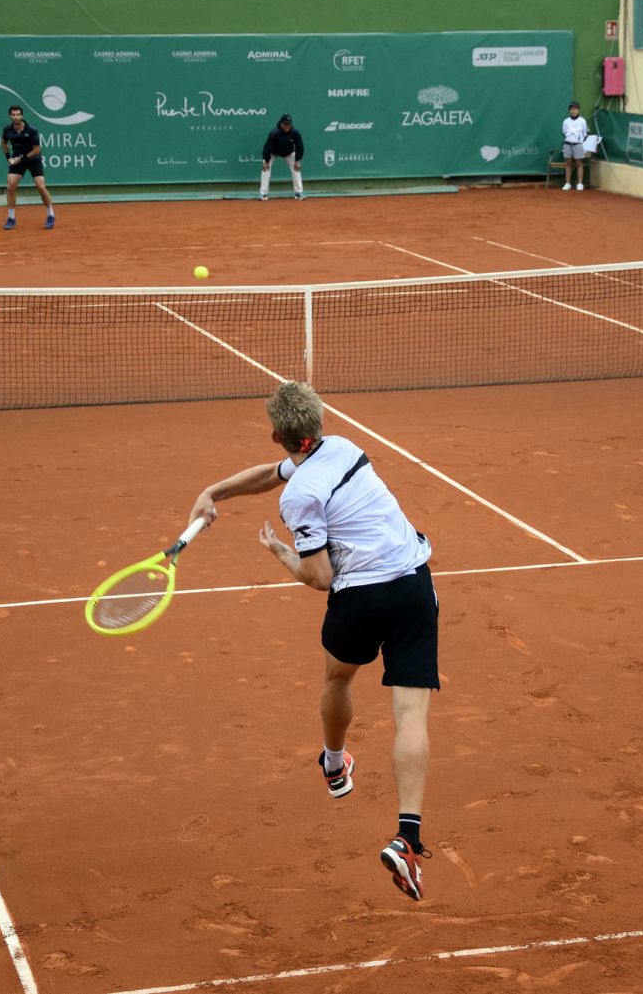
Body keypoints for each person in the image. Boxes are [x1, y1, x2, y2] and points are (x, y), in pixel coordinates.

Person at [189, 382, 438, 901]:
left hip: (360, 599)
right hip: (412, 586)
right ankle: (408, 837)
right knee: (411, 713)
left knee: (338, 675)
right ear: (317, 427)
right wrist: (214, 492)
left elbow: (321, 576)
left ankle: (333, 761)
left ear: (277, 433)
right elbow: (269, 472)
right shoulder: (343, 447)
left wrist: (281, 554)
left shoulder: (300, 496)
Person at [1, 105, 54, 230]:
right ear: (10, 116)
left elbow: (36, 150)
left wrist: (22, 158)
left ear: (22, 115)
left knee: (41, 186)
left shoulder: (32, 130)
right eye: (13, 115)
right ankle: (11, 218)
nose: (16, 117)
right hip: (18, 160)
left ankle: (51, 215)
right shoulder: (7, 130)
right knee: (10, 186)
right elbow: (3, 143)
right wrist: (8, 157)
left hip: (33, 159)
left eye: (18, 114)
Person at [260, 114, 305, 201]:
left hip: (288, 153)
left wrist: (298, 160)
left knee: (296, 168)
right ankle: (263, 193)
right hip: (273, 152)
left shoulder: (295, 133)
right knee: (265, 169)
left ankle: (299, 192)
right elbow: (267, 147)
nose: (287, 126)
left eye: (288, 124)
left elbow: (300, 147)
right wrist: (266, 161)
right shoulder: (274, 133)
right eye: (285, 124)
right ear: (280, 124)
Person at [561, 100, 589, 190]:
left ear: (578, 110)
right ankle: (568, 183)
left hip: (578, 144)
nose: (573, 110)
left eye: (575, 108)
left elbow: (585, 134)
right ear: (569, 110)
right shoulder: (565, 121)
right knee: (568, 163)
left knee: (579, 163)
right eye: (571, 109)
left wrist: (578, 141)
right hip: (567, 144)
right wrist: (570, 140)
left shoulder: (582, 121)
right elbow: (564, 132)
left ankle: (580, 184)